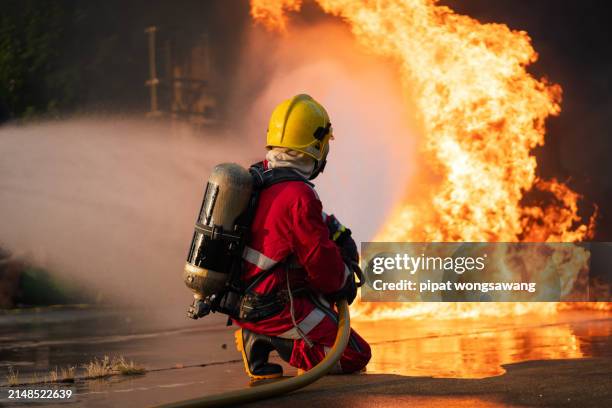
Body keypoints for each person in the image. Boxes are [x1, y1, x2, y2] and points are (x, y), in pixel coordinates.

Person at [234, 94, 371, 380]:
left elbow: (302, 229)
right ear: (316, 144)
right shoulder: (299, 195)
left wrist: (337, 231)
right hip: (277, 306)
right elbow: (320, 263)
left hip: (247, 298)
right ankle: (271, 339)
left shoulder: (261, 175)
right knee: (354, 354)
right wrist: (344, 279)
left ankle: (259, 334)